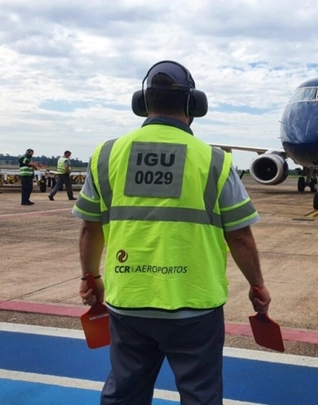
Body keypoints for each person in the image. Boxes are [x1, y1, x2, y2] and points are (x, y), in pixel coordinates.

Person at [72, 60, 271, 405]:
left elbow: (91, 227)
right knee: (200, 396)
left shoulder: (106, 155)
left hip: (129, 301)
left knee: (124, 394)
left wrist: (90, 276)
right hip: (194, 306)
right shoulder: (214, 160)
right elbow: (239, 236)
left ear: (142, 103)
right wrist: (257, 285)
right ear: (193, 105)